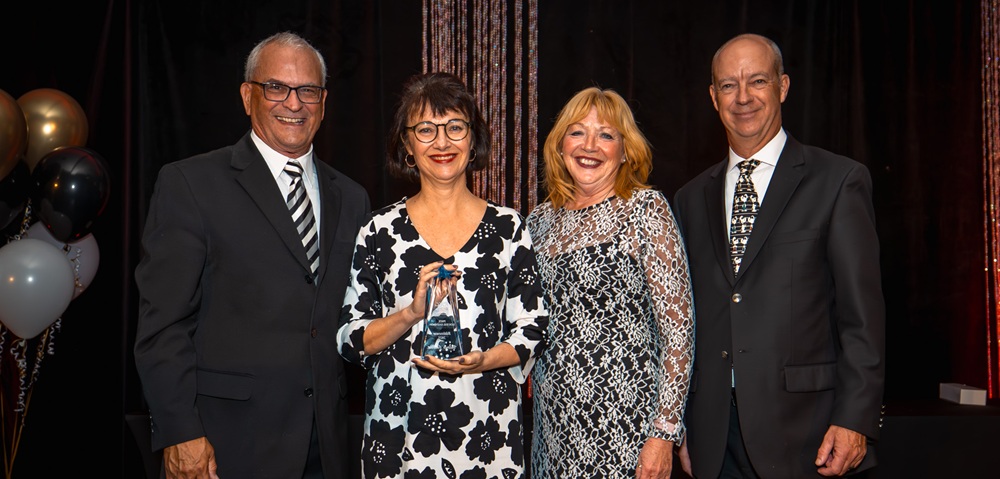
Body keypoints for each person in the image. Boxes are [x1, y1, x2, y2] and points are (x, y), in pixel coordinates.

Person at [134, 32, 371, 478]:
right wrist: (179, 429)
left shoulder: (352, 197)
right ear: (248, 96)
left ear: (324, 101)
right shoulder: (190, 184)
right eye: (276, 88)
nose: (293, 104)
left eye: (308, 91)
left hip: (328, 448)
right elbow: (162, 325)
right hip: (225, 446)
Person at [672, 33, 885, 478]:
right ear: (713, 98)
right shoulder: (690, 199)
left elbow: (861, 317)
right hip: (714, 439)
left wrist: (855, 419)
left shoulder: (838, 181)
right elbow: (686, 323)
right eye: (728, 85)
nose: (743, 97)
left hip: (808, 434)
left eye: (758, 81)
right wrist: (681, 426)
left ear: (783, 87)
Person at [337, 71, 548, 478]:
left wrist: (481, 360)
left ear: (473, 141)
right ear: (407, 145)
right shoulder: (378, 231)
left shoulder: (508, 227)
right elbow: (349, 340)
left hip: (490, 433)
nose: (442, 142)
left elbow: (532, 328)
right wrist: (409, 314)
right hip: (398, 437)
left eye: (454, 127)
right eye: (426, 130)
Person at [526, 86, 695, 479]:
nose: (590, 146)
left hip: (628, 428)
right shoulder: (538, 221)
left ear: (625, 150)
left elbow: (679, 333)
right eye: (577, 132)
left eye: (606, 135)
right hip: (553, 427)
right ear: (560, 144)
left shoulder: (645, 209)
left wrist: (664, 434)